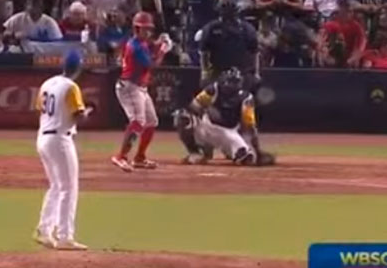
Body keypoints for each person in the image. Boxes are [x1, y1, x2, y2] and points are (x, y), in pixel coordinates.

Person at [32, 50, 93, 251]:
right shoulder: (71, 86)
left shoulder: (48, 83)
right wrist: (88, 111)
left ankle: (44, 230)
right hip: (59, 139)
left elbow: (40, 107)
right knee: (69, 187)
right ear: (79, 68)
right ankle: (65, 236)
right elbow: (78, 115)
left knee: (57, 186)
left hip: (43, 137)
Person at [111, 11, 173, 172]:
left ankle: (139, 157)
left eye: (149, 29)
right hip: (129, 87)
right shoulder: (135, 46)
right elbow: (152, 64)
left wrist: (159, 42)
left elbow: (150, 45)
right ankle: (121, 157)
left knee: (151, 122)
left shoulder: (141, 42)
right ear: (136, 29)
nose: (148, 32)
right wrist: (163, 50)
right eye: (144, 29)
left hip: (140, 87)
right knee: (138, 122)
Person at [176, 67, 273, 166]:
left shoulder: (246, 98)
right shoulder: (213, 90)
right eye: (229, 82)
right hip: (207, 126)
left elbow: (249, 126)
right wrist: (207, 110)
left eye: (235, 82)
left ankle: (229, 152)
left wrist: (257, 150)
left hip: (228, 133)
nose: (231, 85)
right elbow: (194, 107)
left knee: (246, 159)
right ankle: (196, 152)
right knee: (182, 116)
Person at [199, 0, 259, 86]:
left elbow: (254, 53)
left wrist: (256, 72)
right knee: (211, 93)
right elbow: (204, 52)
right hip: (217, 69)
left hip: (242, 70)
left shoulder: (246, 28)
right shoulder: (211, 28)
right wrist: (204, 72)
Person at [318, 0, 366, 68]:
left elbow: (361, 44)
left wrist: (352, 59)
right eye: (345, 10)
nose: (347, 13)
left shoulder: (356, 26)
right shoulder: (330, 25)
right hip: (332, 57)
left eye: (350, 11)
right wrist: (325, 56)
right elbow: (320, 42)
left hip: (350, 58)